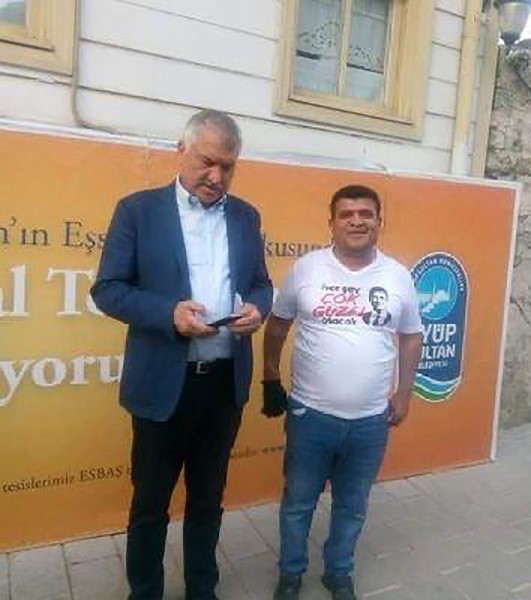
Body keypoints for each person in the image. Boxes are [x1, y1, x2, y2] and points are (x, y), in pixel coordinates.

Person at [91, 109, 273, 600]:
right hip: (164, 386)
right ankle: (144, 592)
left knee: (208, 501)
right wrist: (168, 314)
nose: (216, 176)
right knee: (150, 505)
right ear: (181, 151)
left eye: (228, 167)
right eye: (207, 162)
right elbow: (108, 290)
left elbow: (261, 283)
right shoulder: (138, 211)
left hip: (223, 385)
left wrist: (258, 308)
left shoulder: (246, 216)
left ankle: (202, 589)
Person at [262, 184, 422, 600]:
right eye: (346, 214)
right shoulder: (307, 269)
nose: (356, 221)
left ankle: (339, 572)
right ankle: (291, 575)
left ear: (379, 222)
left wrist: (404, 393)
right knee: (298, 504)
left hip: (371, 420)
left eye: (365, 214)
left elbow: (410, 337)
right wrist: (270, 377)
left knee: (352, 505)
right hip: (310, 416)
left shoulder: (398, 275)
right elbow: (277, 326)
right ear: (331, 223)